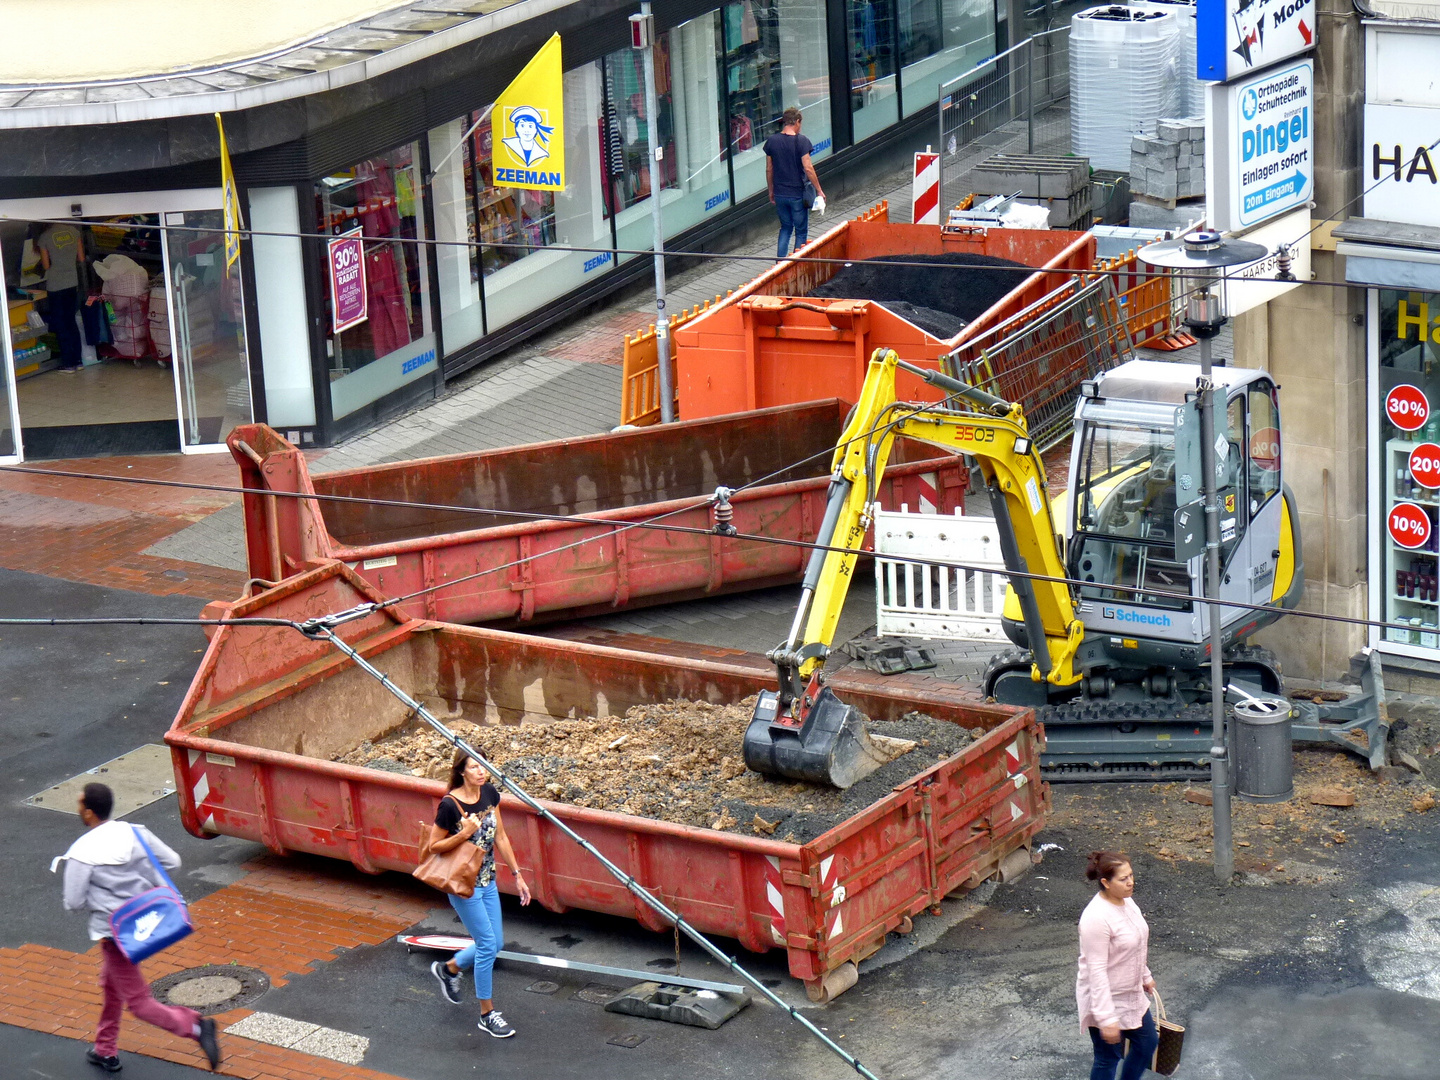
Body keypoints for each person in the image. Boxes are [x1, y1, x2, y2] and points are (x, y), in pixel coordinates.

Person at [58, 783, 221, 1073]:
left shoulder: (81, 853)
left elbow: (73, 901)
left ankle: (195, 1027)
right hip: (145, 925)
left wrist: (107, 900)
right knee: (111, 987)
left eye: (80, 804)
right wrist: (143, 890)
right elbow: (172, 861)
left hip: (115, 934)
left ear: (89, 813)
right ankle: (105, 1049)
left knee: (138, 1003)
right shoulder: (134, 832)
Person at [424, 751, 532, 1038]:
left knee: (495, 944)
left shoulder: (490, 794)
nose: (481, 772)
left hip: (488, 882)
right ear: (462, 771)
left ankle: (449, 969)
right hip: (463, 885)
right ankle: (487, 1014)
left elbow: (501, 836)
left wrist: (517, 874)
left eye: (483, 766)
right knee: (487, 946)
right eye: (474, 767)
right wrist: (463, 833)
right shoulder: (449, 805)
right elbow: (433, 846)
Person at [1077, 851, 1158, 1080]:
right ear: (1105, 882)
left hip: (1130, 994)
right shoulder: (1096, 918)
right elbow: (1096, 971)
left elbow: (1137, 942)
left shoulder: (1128, 903)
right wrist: (1106, 1018)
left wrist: (1145, 975)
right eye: (1123, 879)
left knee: (1148, 1042)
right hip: (1106, 999)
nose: (1130, 882)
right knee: (1108, 1058)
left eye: (1131, 875)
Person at [764, 107, 826, 260]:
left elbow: (769, 169)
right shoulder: (802, 141)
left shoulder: (772, 141)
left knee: (785, 228)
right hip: (797, 194)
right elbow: (808, 168)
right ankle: (796, 264)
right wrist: (819, 190)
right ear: (797, 121)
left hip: (779, 193)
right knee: (801, 231)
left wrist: (771, 190)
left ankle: (780, 263)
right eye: (800, 123)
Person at [37, 221, 86, 372]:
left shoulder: (44, 237)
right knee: (71, 321)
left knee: (61, 323)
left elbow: (46, 266)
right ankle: (78, 361)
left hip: (56, 285)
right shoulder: (73, 231)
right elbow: (81, 258)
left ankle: (68, 363)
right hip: (72, 282)